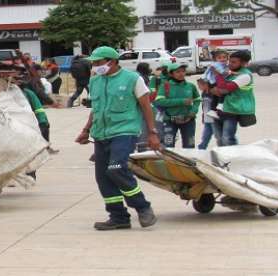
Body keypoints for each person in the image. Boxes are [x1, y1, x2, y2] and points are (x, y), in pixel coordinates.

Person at [75, 46, 159, 231]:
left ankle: (143, 207)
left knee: (116, 169)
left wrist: (153, 133)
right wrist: (86, 130)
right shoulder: (95, 81)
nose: (94, 66)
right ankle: (118, 216)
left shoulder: (133, 79)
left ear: (111, 62)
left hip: (124, 131)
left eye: (97, 63)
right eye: (93, 63)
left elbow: (146, 107)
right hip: (100, 133)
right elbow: (96, 109)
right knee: (103, 177)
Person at [211, 50, 255, 146]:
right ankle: (223, 159)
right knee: (219, 138)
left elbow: (224, 89)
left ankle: (232, 159)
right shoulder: (231, 72)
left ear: (244, 63)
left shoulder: (245, 75)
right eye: (230, 61)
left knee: (228, 138)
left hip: (232, 110)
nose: (229, 64)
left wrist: (217, 75)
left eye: (233, 62)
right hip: (219, 109)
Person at [153, 64, 201, 148]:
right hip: (170, 121)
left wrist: (194, 111)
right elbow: (159, 101)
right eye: (177, 72)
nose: (181, 74)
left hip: (188, 121)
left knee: (190, 145)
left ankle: (189, 161)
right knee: (168, 146)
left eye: (183, 71)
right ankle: (169, 161)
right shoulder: (165, 86)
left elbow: (197, 99)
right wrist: (181, 101)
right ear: (171, 74)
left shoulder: (190, 86)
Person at [197, 79, 220, 150]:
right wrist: (203, 116)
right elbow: (203, 106)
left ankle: (224, 149)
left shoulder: (213, 93)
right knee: (205, 137)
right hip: (207, 120)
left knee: (218, 136)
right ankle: (201, 149)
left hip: (214, 119)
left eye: (199, 85)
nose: (198, 87)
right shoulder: (203, 93)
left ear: (206, 84)